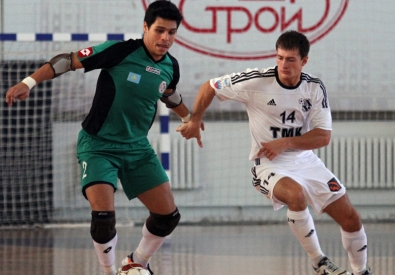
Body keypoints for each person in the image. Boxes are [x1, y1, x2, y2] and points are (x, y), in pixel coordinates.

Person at [5, 1, 189, 275]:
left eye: (172, 33)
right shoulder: (121, 50)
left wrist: (190, 118)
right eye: (160, 30)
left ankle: (135, 263)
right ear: (145, 27)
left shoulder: (170, 65)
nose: (165, 38)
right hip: (98, 146)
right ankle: (108, 271)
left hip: (137, 149)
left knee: (168, 217)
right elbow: (67, 61)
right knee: (103, 219)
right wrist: (28, 82)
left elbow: (168, 93)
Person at [177, 30, 373, 275]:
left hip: (304, 160)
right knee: (296, 195)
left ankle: (361, 271)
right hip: (268, 164)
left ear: (304, 61)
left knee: (351, 217)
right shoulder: (257, 81)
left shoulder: (313, 88)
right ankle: (319, 261)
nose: (283, 64)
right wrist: (195, 119)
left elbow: (323, 136)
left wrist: (285, 143)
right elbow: (211, 86)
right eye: (279, 57)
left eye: (290, 59)